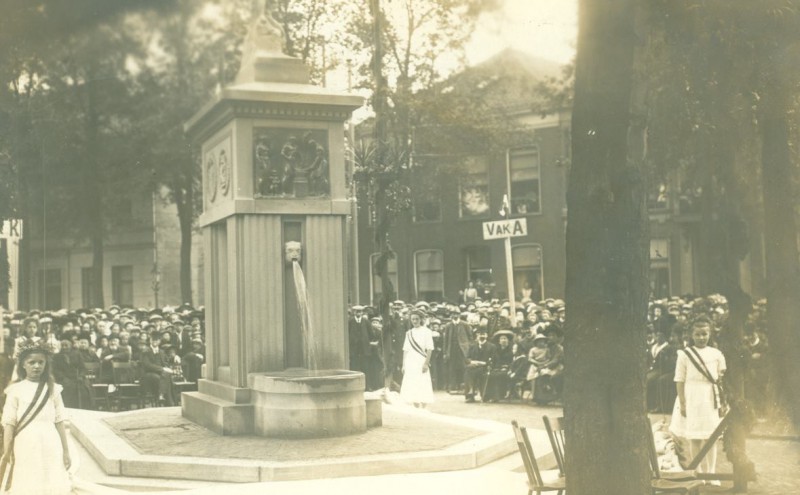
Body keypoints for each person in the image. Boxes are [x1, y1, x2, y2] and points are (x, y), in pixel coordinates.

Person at [1, 341, 72, 494]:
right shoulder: (15, 390)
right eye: (31, 362)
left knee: (50, 476)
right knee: (28, 478)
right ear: (23, 365)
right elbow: (9, 423)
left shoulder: (53, 389)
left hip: (50, 439)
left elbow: (59, 420)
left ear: (46, 364)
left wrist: (66, 450)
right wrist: (7, 452)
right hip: (25, 440)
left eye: (41, 362)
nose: (36, 366)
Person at [669, 317, 727, 480]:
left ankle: (711, 473)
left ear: (710, 334)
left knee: (711, 437)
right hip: (692, 396)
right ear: (691, 335)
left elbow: (721, 378)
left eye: (704, 334)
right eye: (698, 334)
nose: (701, 338)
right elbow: (679, 380)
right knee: (694, 436)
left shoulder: (716, 354)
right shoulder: (684, 355)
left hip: (710, 397)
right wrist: (682, 402)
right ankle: (699, 472)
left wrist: (722, 400)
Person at [400, 310, 434, 408]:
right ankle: (416, 406)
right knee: (412, 383)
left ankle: (423, 407)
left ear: (421, 320)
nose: (414, 321)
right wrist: (404, 364)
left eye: (417, 319)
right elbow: (405, 350)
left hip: (421, 360)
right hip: (410, 361)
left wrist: (426, 364)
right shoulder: (409, 333)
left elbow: (430, 349)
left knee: (423, 383)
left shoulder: (427, 332)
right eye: (412, 319)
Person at [463, 329, 495, 402]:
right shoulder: (472, 346)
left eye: (483, 334)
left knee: (474, 371)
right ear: (477, 336)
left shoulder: (492, 346)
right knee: (468, 370)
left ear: (487, 335)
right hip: (473, 366)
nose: (481, 336)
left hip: (485, 367)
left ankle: (483, 395)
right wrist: (472, 361)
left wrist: (483, 363)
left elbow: (493, 359)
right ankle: (470, 395)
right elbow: (467, 358)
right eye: (480, 334)